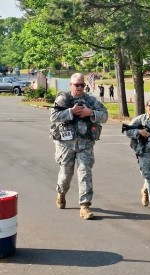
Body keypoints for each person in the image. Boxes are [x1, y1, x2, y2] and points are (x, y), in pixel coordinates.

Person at [50, 73, 108, 220]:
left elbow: (105, 115)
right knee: (65, 175)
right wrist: (71, 111)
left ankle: (85, 205)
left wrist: (91, 112)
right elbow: (53, 116)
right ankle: (61, 193)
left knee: (85, 173)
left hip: (85, 144)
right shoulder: (64, 99)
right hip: (66, 145)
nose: (80, 87)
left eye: (83, 85)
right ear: (71, 85)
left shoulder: (90, 100)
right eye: (77, 85)